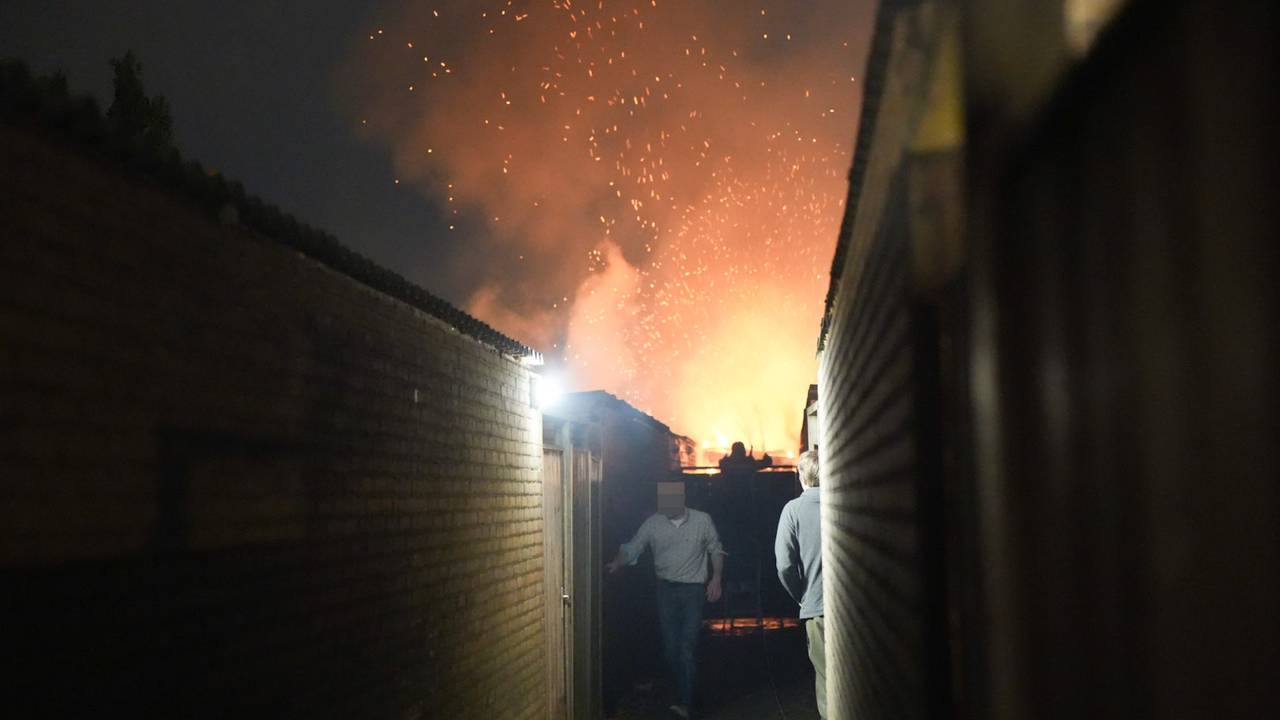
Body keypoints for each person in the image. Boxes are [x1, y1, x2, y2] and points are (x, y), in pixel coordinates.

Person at [606, 481, 726, 719]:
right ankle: (685, 691)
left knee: (686, 647)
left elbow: (715, 549)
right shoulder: (653, 524)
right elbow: (633, 547)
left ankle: (687, 703)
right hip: (666, 591)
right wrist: (617, 562)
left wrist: (716, 579)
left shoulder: (702, 521)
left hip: (692, 590)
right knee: (672, 649)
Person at [774, 449, 826, 718]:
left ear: (801, 476)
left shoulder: (792, 510)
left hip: (817, 608)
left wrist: (802, 596)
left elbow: (784, 565)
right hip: (857, 607)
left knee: (828, 678)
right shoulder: (848, 503)